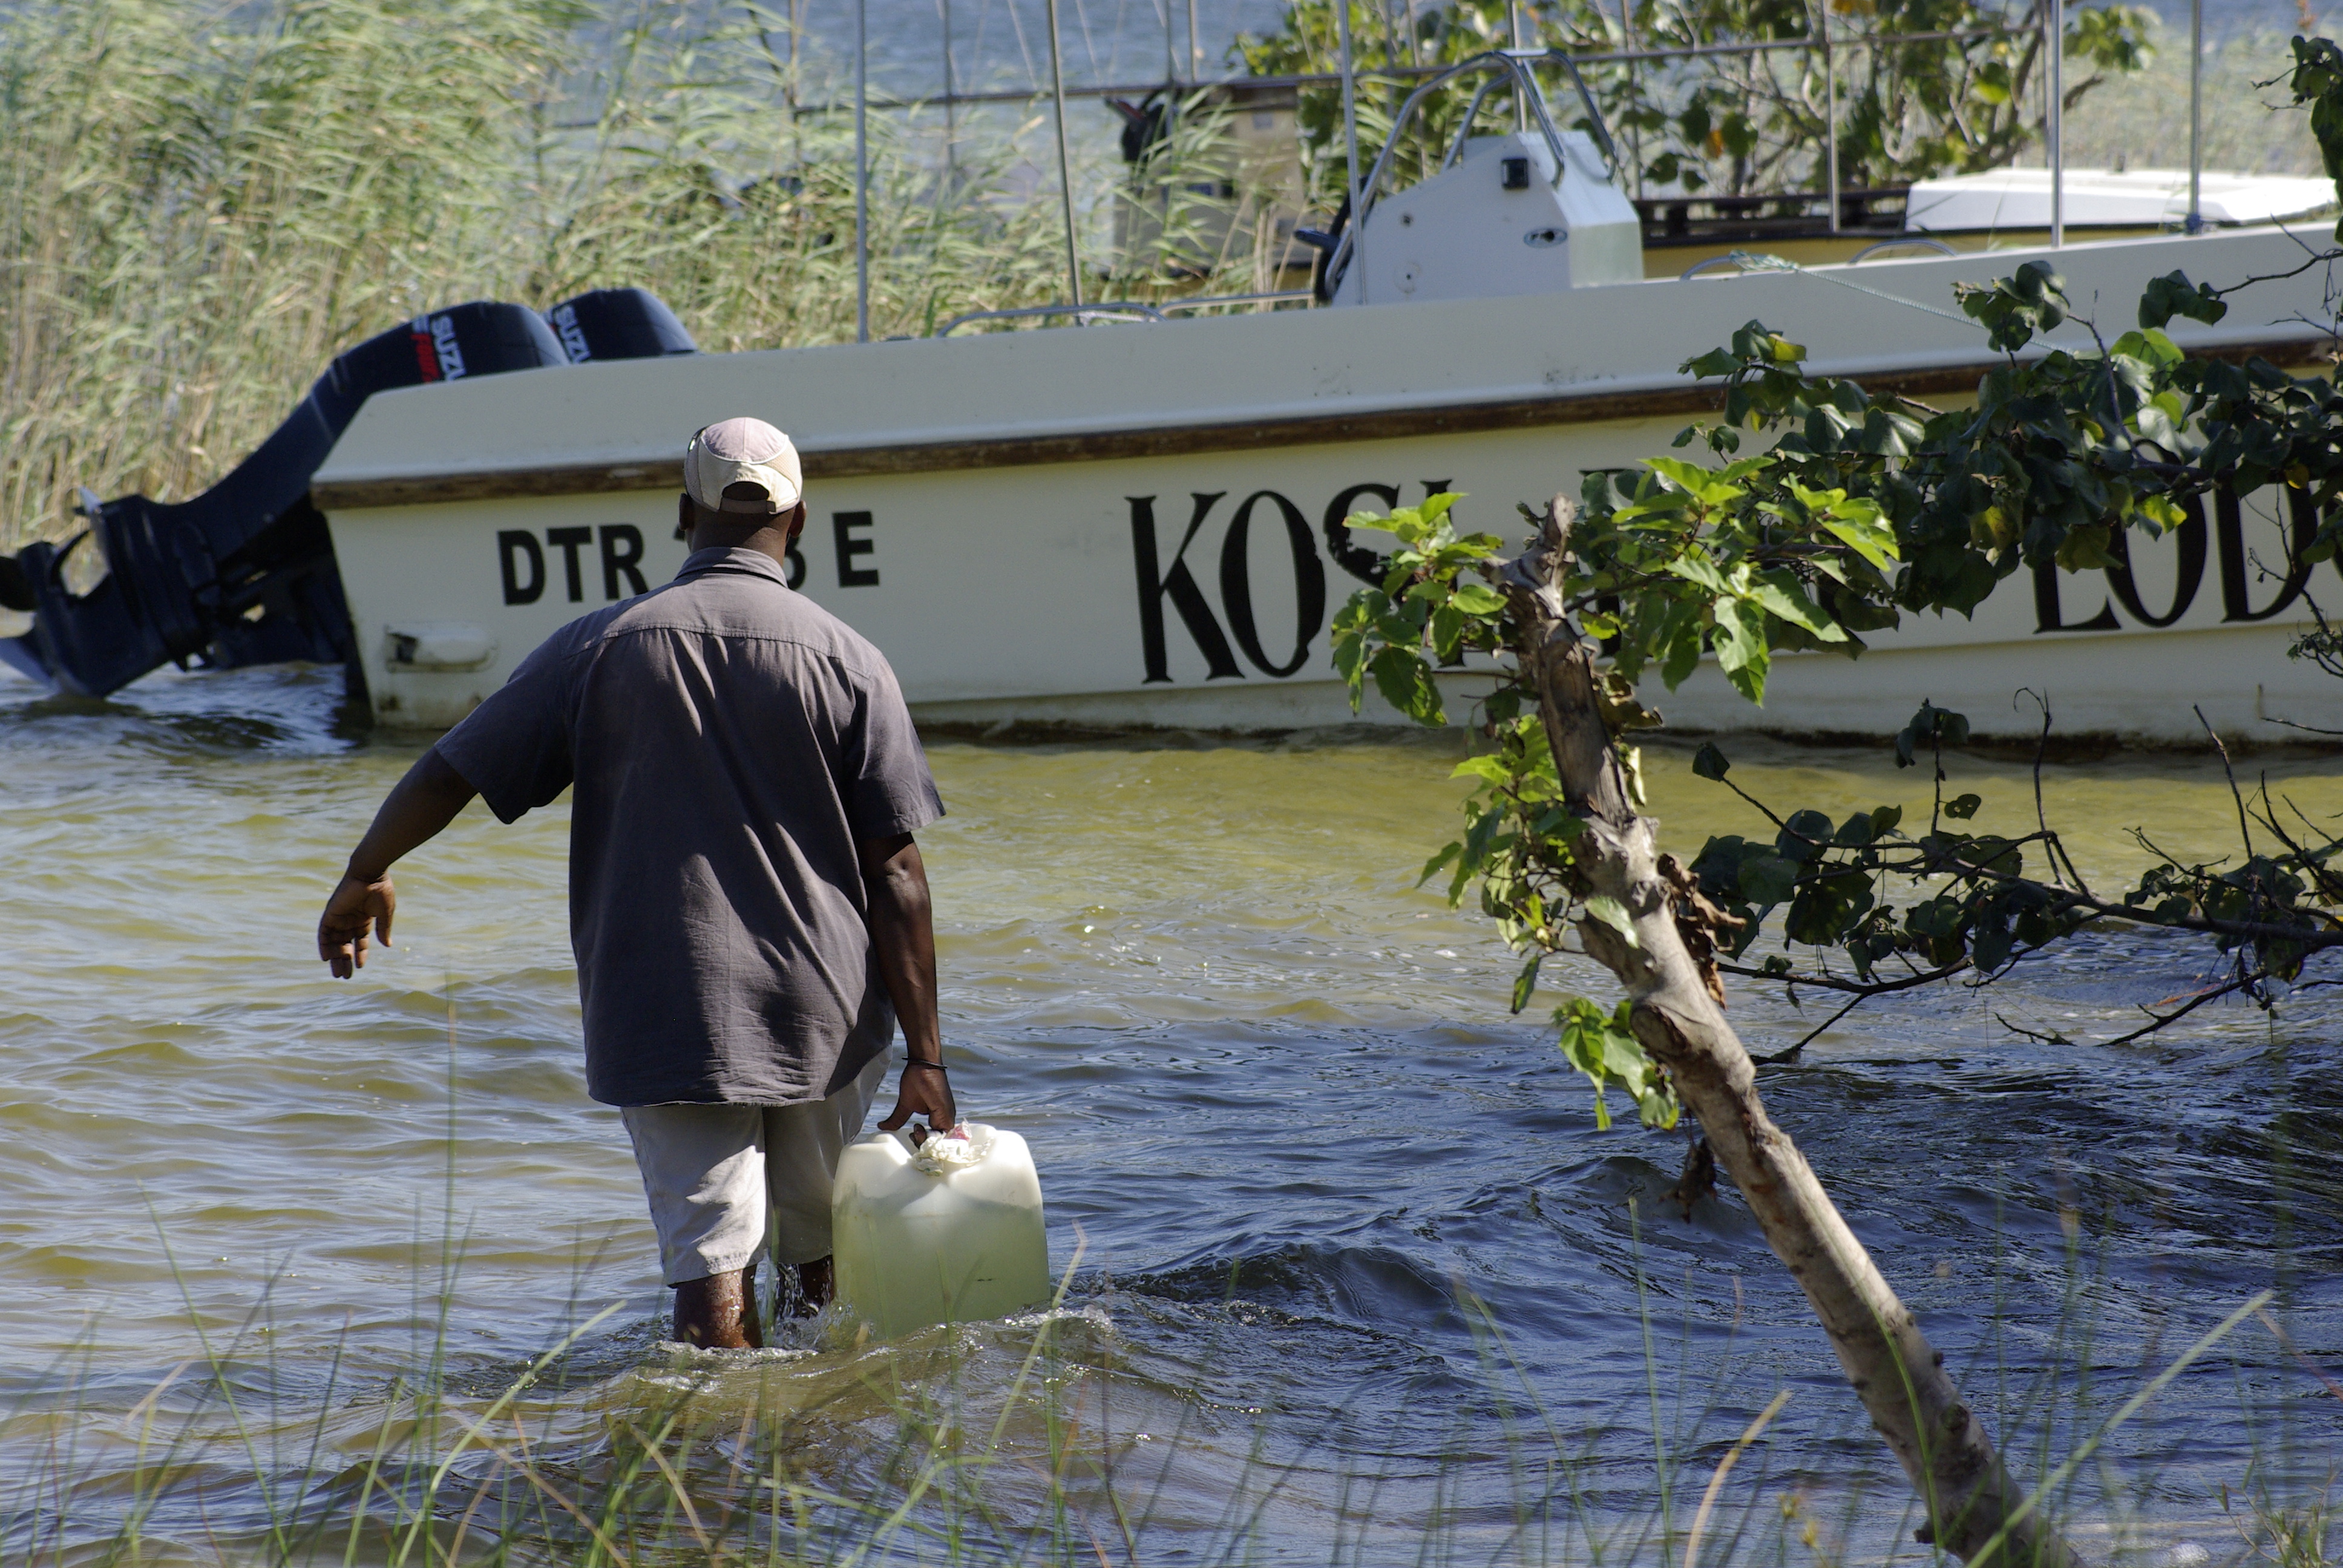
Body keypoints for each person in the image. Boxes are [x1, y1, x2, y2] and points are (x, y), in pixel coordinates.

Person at [316, 416, 953, 1350]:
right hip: (826, 1010)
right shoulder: (850, 660)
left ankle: (714, 1438)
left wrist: (364, 872)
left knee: (710, 1272)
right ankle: (821, 1432)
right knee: (816, 1262)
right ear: (800, 520)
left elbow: (453, 771)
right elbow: (895, 870)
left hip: (672, 1010)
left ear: (684, 514)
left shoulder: (599, 646)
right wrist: (929, 1059)